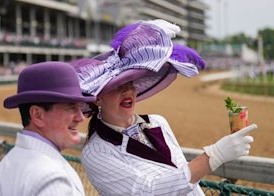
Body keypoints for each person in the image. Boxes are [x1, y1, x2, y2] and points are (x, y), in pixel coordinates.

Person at [71, 20, 257, 196]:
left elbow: (184, 179)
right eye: (117, 85)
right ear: (97, 99)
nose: (128, 90)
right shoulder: (95, 152)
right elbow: (148, 191)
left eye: (131, 83)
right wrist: (214, 156)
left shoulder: (158, 122)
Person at [0, 61, 95, 196]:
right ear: (37, 115)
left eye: (80, 108)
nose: (80, 117)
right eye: (71, 107)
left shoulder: (6, 163)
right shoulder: (53, 178)